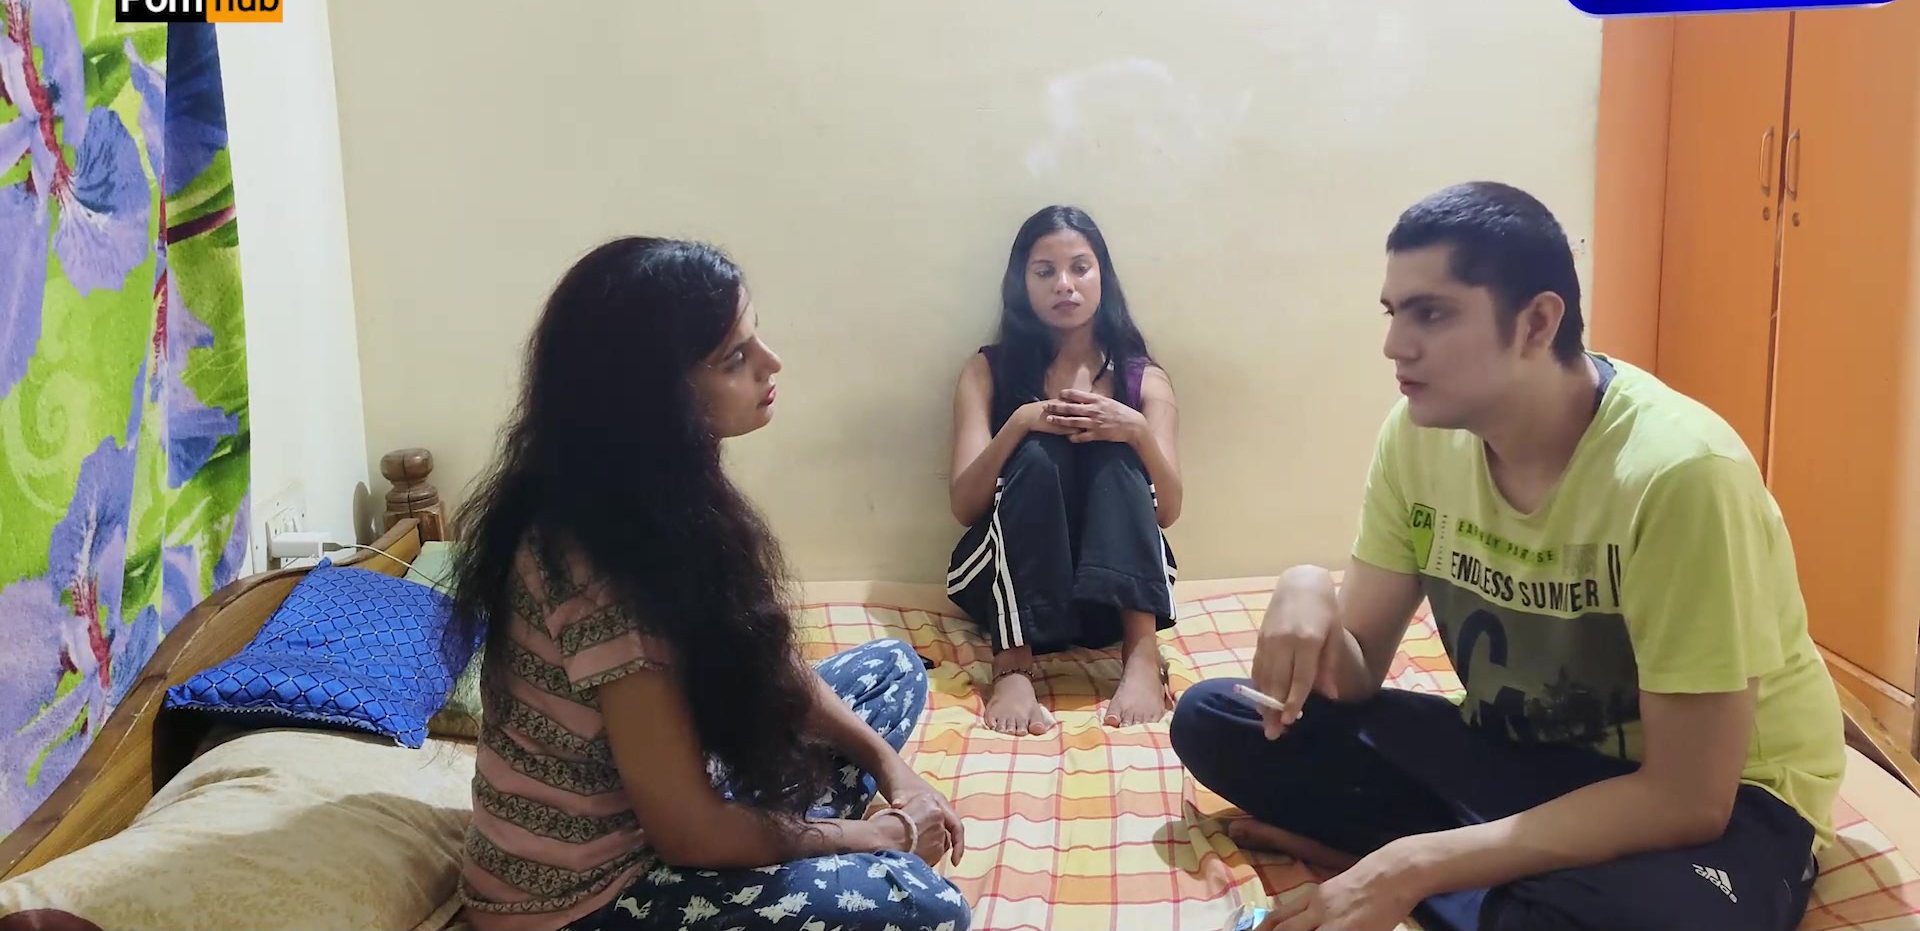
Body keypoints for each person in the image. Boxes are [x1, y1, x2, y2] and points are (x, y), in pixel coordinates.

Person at [1170, 182, 1844, 931]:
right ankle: (1479, 885)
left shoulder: (1678, 474)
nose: (1395, 345)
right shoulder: (1417, 437)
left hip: (1719, 797)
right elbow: (1354, 678)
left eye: (1432, 314)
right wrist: (1306, 589)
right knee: (1216, 720)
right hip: (1523, 755)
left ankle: (1429, 870)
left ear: (1536, 322)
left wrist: (1413, 864)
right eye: (1394, 314)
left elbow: (1688, 797)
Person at [445, 238, 973, 931]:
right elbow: (688, 835)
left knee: (892, 671)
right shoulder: (601, 568)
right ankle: (803, 841)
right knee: (925, 906)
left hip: (669, 798)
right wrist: (882, 835)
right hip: (588, 899)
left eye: (756, 338)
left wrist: (893, 771)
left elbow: (762, 661)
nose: (771, 363)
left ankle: (788, 833)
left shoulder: (660, 495)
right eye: (734, 359)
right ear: (652, 399)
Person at [946, 205, 1183, 736]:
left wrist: (1137, 431)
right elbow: (964, 506)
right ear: (1022, 283)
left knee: (1117, 449)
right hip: (1006, 589)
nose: (1064, 285)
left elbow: (1168, 511)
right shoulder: (987, 370)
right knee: (1035, 451)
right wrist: (1019, 424)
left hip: (1106, 599)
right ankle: (1012, 665)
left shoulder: (1143, 379)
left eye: (1080, 267)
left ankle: (1142, 657)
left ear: (1102, 276)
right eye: (1045, 271)